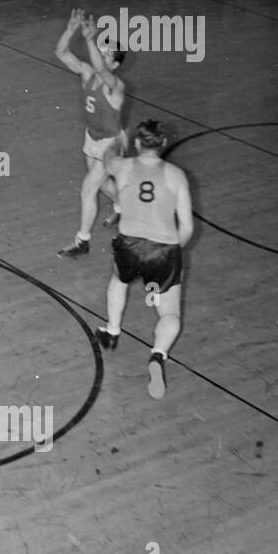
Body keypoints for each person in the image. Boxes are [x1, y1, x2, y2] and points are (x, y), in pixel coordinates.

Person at [95, 120, 194, 400]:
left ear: (138, 143)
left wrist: (117, 142)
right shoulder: (176, 175)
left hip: (129, 244)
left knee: (118, 281)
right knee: (170, 314)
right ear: (163, 145)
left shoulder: (124, 167)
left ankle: (112, 331)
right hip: (164, 248)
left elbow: (106, 159)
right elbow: (187, 226)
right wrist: (172, 252)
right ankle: (157, 356)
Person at [54, 9, 126, 259]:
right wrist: (71, 29)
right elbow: (61, 53)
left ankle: (82, 241)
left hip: (110, 143)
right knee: (103, 183)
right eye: (102, 53)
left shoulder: (115, 86)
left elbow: (102, 71)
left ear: (115, 65)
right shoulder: (87, 73)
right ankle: (123, 206)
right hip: (92, 137)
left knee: (87, 189)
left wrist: (89, 40)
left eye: (107, 55)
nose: (102, 57)